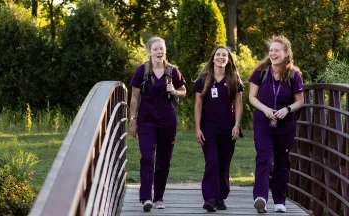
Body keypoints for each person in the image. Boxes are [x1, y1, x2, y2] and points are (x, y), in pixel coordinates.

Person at [129, 36, 187, 212]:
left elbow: (184, 91)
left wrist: (174, 91)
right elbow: (134, 97)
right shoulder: (142, 71)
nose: (159, 52)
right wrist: (133, 120)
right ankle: (146, 197)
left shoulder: (173, 71)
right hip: (146, 121)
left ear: (165, 51)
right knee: (147, 157)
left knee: (164, 160)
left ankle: (159, 198)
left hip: (168, 122)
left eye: (161, 49)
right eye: (155, 49)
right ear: (149, 52)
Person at [248, 35, 304, 213]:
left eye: (277, 50)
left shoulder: (295, 75)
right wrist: (265, 109)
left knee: (281, 161)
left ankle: (280, 200)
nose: (273, 53)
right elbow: (251, 97)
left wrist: (287, 110)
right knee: (264, 158)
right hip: (263, 123)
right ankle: (261, 197)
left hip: (285, 124)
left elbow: (300, 101)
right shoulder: (260, 72)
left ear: (286, 53)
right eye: (271, 50)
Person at [193, 45, 244, 212]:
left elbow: (238, 104)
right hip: (209, 128)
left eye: (225, 55)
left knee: (224, 163)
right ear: (213, 57)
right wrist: (198, 128)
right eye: (218, 54)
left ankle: (221, 197)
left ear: (228, 60)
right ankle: (210, 198)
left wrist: (237, 125)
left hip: (228, 128)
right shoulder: (204, 78)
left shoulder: (233, 78)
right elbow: (198, 104)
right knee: (212, 162)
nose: (221, 57)